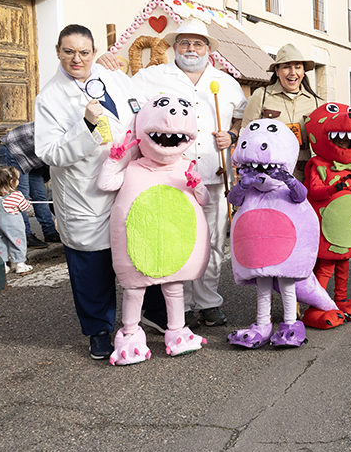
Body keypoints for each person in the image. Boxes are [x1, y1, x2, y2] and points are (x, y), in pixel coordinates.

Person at [100, 17, 245, 330]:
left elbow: (240, 118)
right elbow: (118, 84)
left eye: (197, 43)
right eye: (184, 43)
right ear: (175, 46)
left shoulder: (226, 82)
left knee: (212, 241)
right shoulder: (152, 76)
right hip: (166, 177)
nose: (191, 49)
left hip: (211, 176)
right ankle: (182, 305)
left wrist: (231, 136)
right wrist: (102, 63)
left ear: (208, 49)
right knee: (174, 239)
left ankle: (208, 302)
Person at [36, 23, 134, 360]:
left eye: (84, 52)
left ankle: (148, 316)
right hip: (84, 194)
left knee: (139, 252)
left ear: (94, 53)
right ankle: (98, 331)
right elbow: (49, 152)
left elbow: (137, 112)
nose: (77, 59)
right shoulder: (49, 97)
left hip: (127, 183)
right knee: (91, 264)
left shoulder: (113, 78)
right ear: (58, 52)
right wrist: (87, 125)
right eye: (69, 52)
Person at [240, 43, 321, 181]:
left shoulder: (316, 102)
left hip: (304, 176)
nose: (292, 72)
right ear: (277, 71)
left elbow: (327, 140)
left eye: (297, 67)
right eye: (286, 67)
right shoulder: (261, 96)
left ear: (303, 72)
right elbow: (245, 134)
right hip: (269, 175)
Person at [0, 122, 60, 247]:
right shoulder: (58, 128)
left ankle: (50, 232)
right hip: (13, 150)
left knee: (40, 195)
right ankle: (25, 236)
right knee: (21, 197)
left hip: (31, 157)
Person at [0, 165, 33, 275]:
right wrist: (27, 202)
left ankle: (3, 265)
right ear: (12, 181)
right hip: (12, 225)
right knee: (17, 241)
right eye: (17, 179)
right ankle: (19, 264)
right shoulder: (16, 195)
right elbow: (24, 207)